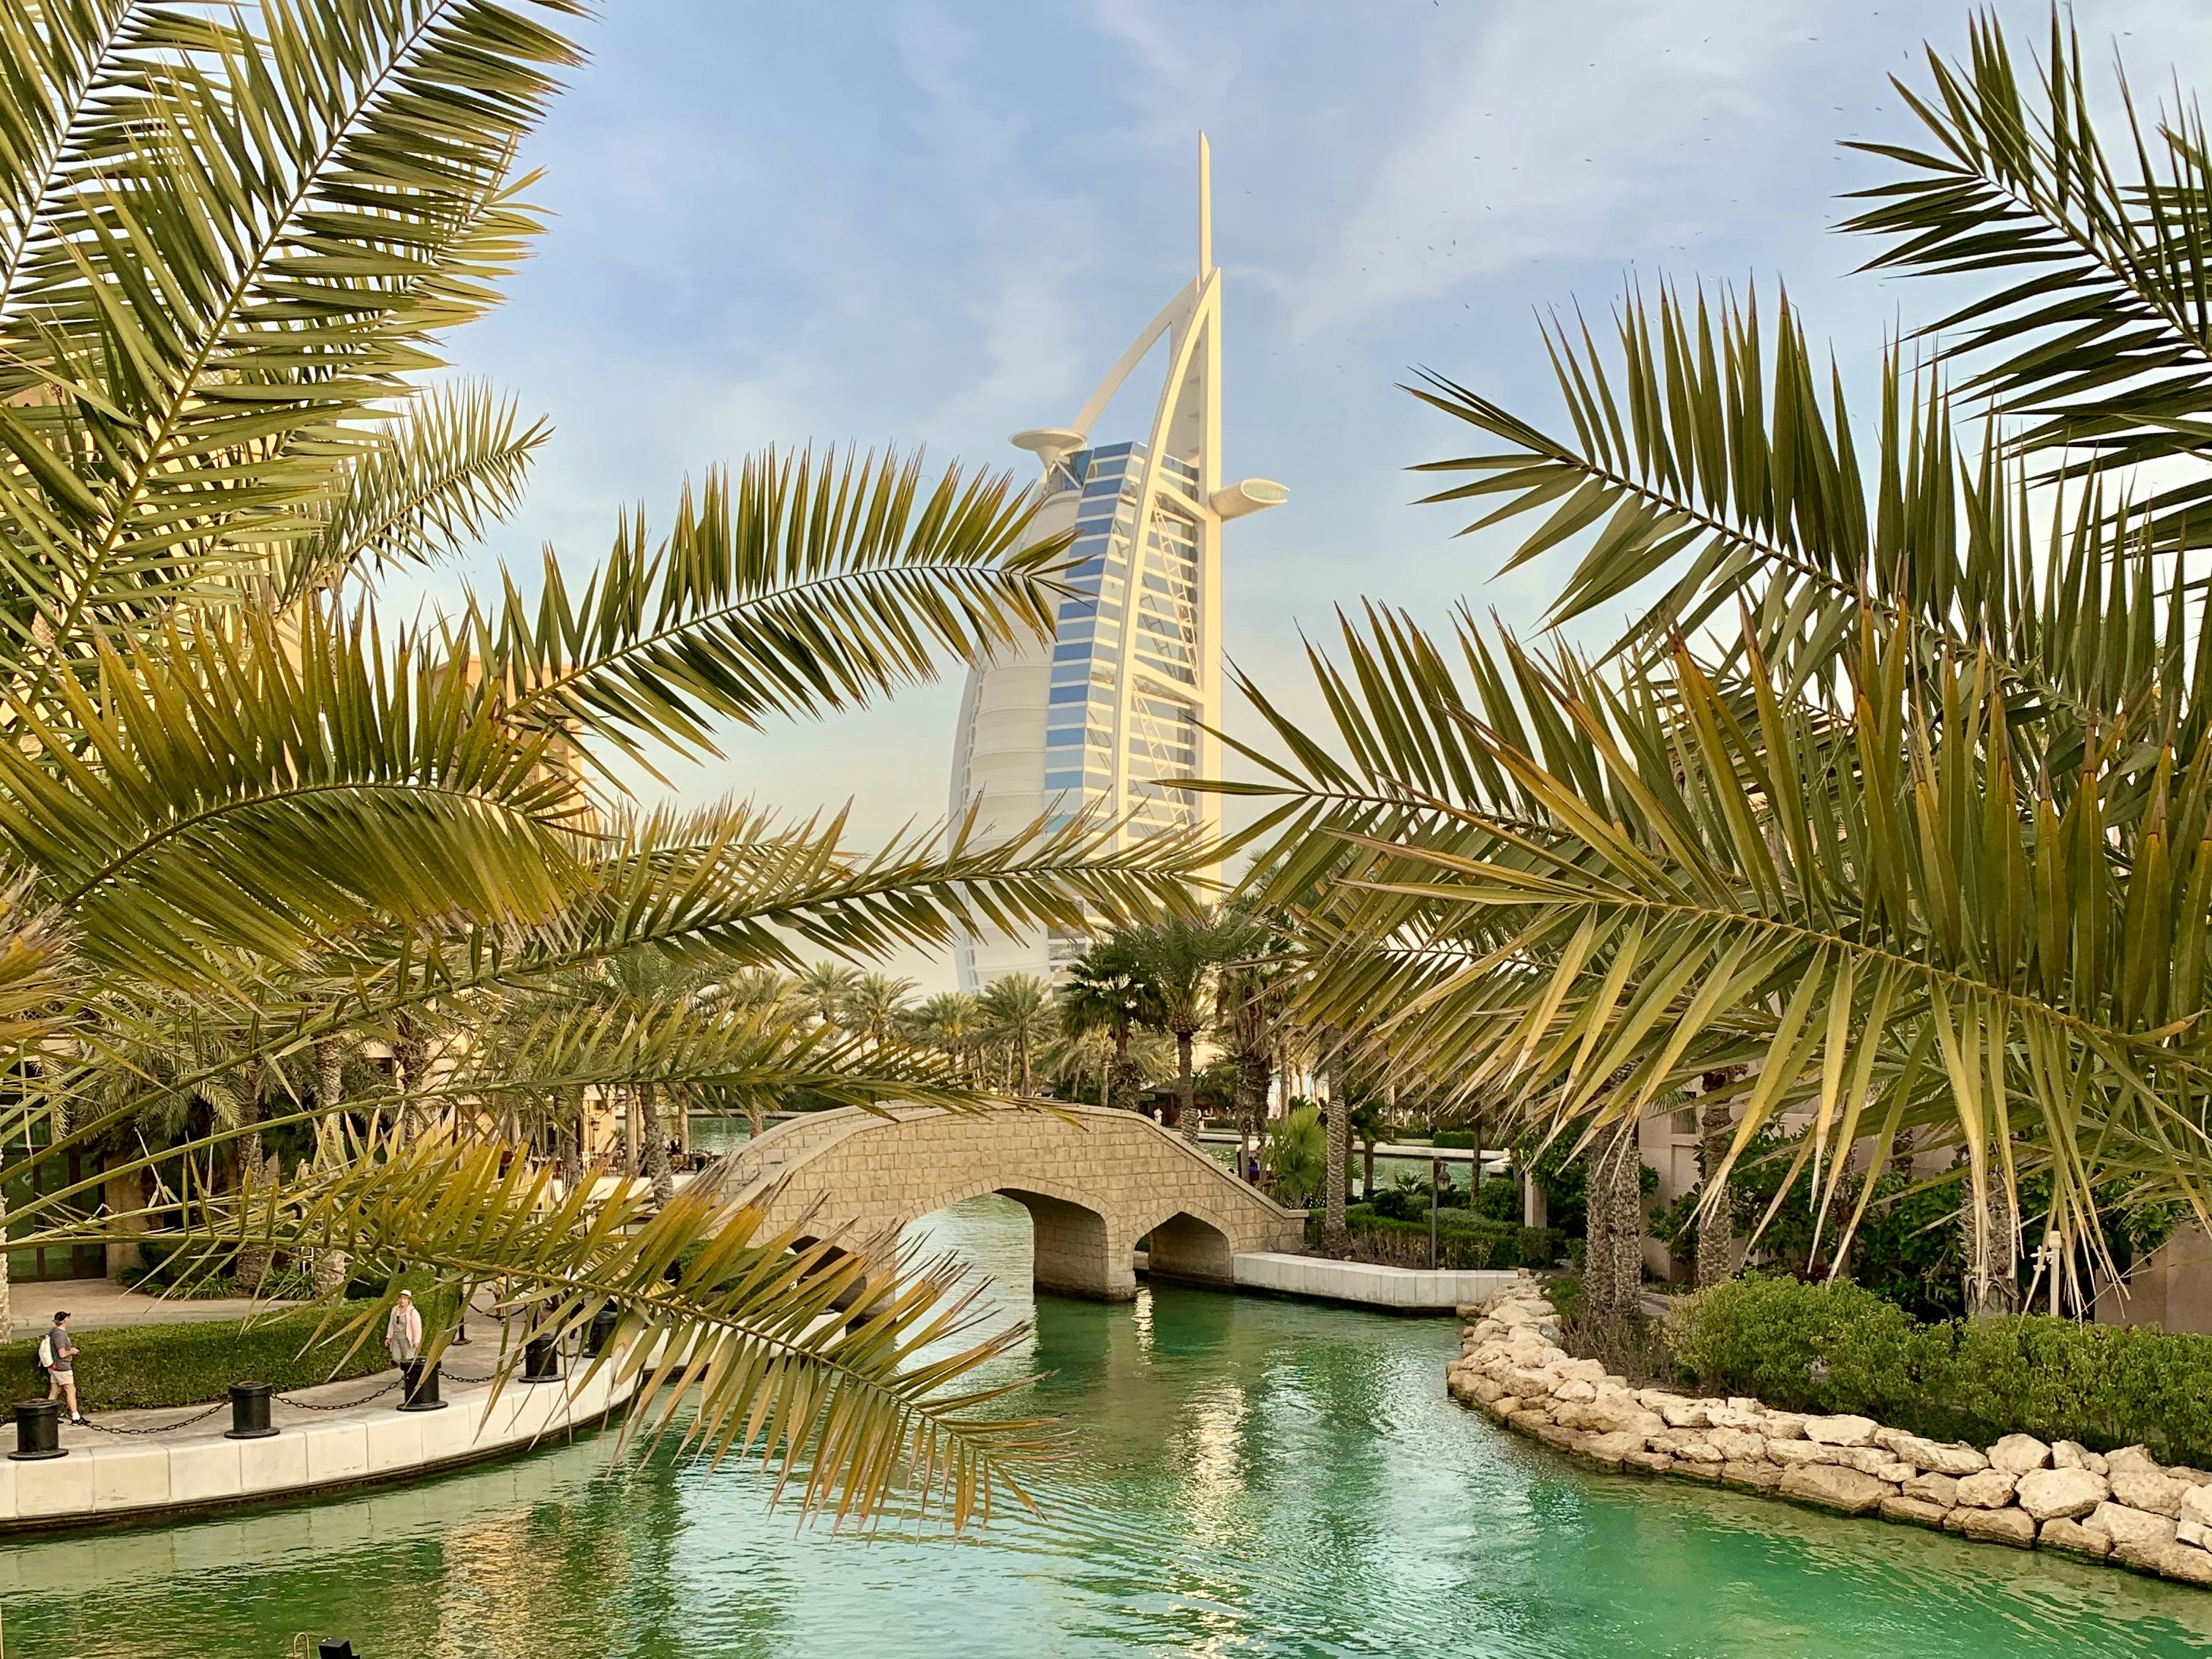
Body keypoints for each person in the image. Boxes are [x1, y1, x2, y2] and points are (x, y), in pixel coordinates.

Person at [42, 1311, 84, 1425]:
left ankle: (48, 1417)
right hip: (62, 1367)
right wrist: (73, 1351)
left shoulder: (53, 1332)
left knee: (55, 1390)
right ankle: (76, 1417)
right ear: (65, 1320)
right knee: (70, 1390)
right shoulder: (60, 1335)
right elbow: (62, 1354)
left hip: (54, 1366)